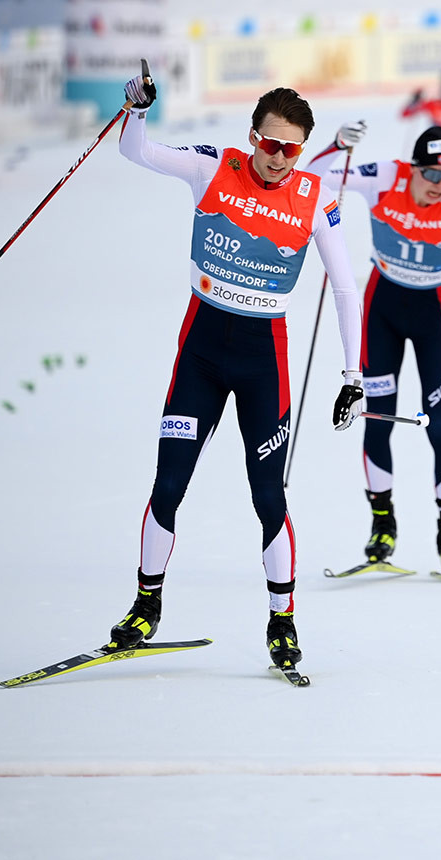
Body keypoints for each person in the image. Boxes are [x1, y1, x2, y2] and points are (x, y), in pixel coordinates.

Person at [109, 72, 364, 674]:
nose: (278, 159)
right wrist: (137, 110)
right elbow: (134, 150)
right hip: (201, 345)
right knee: (169, 483)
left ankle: (282, 620)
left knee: (267, 496)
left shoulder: (314, 195)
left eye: (291, 149)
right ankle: (147, 604)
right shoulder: (212, 167)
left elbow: (347, 286)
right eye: (270, 144)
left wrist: (353, 374)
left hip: (261, 358)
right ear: (253, 136)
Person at [304, 122, 441, 578]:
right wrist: (338, 147)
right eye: (432, 177)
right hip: (383, 306)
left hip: (434, 315)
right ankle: (382, 526)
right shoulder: (387, 175)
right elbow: (315, 177)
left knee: (440, 427)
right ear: (414, 168)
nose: (440, 188)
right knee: (378, 419)